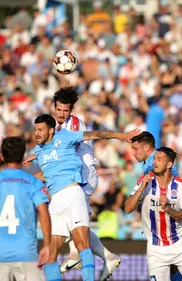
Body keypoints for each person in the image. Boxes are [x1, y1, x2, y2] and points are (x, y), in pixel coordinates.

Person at [24, 114, 140, 281]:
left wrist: (122, 136)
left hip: (73, 195)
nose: (36, 133)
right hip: (55, 201)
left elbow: (96, 134)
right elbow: (48, 172)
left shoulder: (65, 136)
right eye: (35, 130)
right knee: (50, 252)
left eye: (40, 130)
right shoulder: (38, 150)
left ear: (51, 130)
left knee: (81, 244)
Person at [52, 87, 121, 280]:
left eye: (65, 110)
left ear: (71, 110)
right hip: (75, 176)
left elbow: (68, 150)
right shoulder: (57, 126)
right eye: (59, 110)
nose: (61, 114)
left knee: (73, 219)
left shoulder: (73, 123)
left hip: (82, 174)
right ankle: (108, 256)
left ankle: (75, 255)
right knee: (78, 222)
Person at [0, 136, 51, 281]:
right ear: (23, 156)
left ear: (2, 156)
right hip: (26, 252)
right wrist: (47, 245)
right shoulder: (33, 182)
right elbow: (44, 214)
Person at [125, 147, 182, 281]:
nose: (154, 162)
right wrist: (140, 189)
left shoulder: (181, 186)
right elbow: (128, 208)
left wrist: (168, 208)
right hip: (156, 250)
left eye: (159, 159)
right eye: (154, 158)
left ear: (169, 164)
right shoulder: (145, 182)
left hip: (181, 246)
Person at [131, 131, 182, 281]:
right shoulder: (155, 162)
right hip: (164, 213)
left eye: (136, 149)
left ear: (147, 147)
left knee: (169, 262)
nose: (133, 153)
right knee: (173, 264)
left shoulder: (154, 165)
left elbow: (172, 184)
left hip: (166, 216)